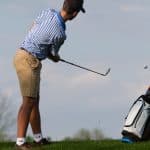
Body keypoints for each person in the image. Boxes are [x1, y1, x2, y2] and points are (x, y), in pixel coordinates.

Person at [13, 0, 85, 149]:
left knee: (34, 101)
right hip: (29, 60)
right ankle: (20, 142)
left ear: (64, 4)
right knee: (28, 102)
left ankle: (38, 139)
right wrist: (56, 58)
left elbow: (33, 28)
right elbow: (53, 54)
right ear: (76, 13)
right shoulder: (60, 33)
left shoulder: (48, 12)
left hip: (21, 54)